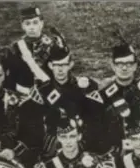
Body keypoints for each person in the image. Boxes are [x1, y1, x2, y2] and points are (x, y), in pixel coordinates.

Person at [30, 28, 100, 157]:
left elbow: (94, 117)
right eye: (56, 65)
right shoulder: (42, 89)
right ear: (50, 66)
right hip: (52, 141)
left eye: (63, 65)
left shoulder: (84, 86)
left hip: (80, 140)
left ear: (70, 65)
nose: (60, 69)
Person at [96, 33, 140, 155]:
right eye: (120, 64)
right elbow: (99, 130)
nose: (124, 68)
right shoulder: (104, 93)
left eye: (129, 64)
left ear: (135, 66)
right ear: (113, 66)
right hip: (115, 153)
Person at [6, 6, 55, 95]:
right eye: (27, 24)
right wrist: (26, 92)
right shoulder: (15, 48)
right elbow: (10, 77)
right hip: (23, 95)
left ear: (42, 23)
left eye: (35, 23)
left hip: (48, 94)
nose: (31, 27)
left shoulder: (52, 46)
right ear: (22, 26)